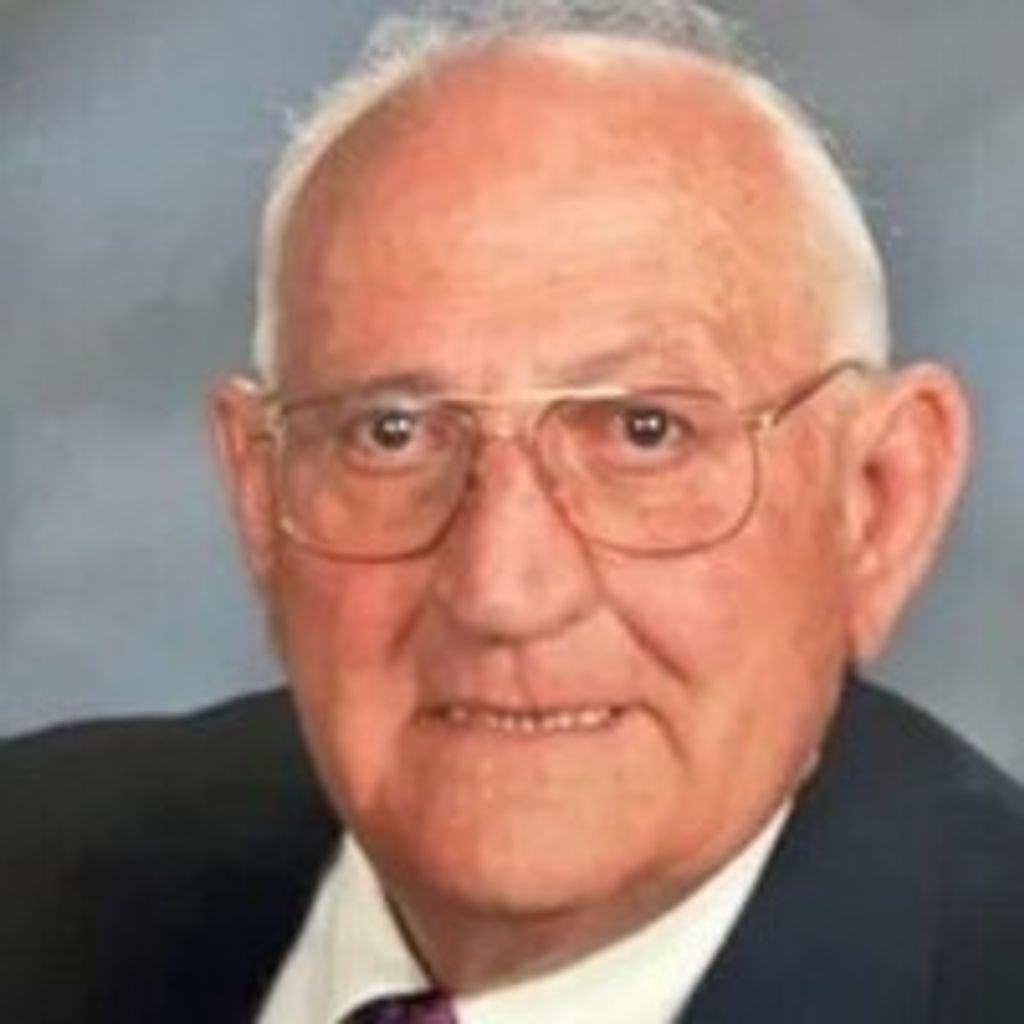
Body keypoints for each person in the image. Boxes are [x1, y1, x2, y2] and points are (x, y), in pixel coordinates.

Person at [2, 2, 1023, 1021]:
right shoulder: (32, 864)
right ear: (260, 497)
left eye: (644, 432)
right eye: (391, 432)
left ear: (877, 502)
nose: (501, 589)